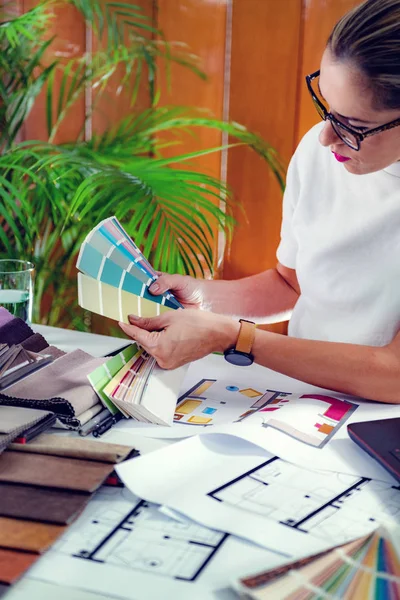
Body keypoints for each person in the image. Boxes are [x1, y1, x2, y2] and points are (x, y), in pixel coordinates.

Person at [119, 0, 400, 405]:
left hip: (380, 424)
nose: (326, 137)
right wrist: (201, 297)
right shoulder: (318, 153)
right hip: (301, 402)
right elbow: (291, 285)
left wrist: (234, 337)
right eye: (327, 107)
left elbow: (394, 375)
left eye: (353, 127)